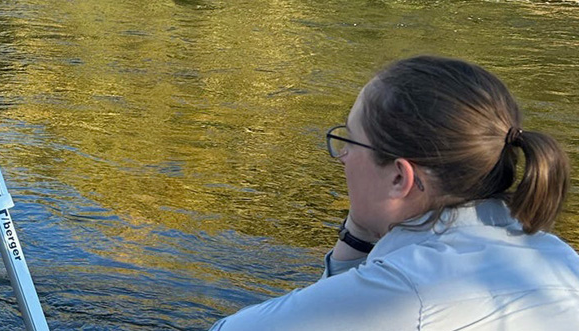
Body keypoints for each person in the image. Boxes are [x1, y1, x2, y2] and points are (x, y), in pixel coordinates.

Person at [212, 56, 579, 330]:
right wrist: (358, 237)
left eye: (349, 141)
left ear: (399, 178)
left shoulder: (405, 290)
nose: (342, 157)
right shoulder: (561, 258)